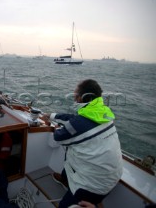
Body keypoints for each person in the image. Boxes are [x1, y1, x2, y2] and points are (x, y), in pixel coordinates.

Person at [41, 79, 123, 208]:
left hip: (91, 186)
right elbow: (75, 119)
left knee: (65, 206)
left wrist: (52, 125)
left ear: (82, 97)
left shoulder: (80, 123)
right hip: (112, 177)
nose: (74, 98)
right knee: (76, 149)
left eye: (75, 95)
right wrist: (51, 115)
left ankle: (75, 192)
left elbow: (59, 136)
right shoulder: (102, 112)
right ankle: (66, 179)